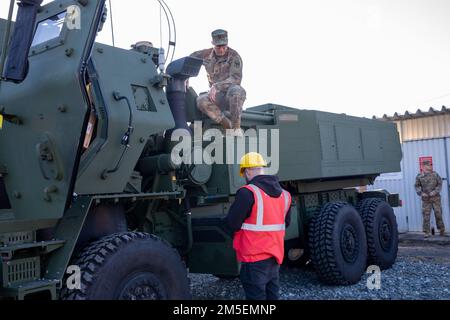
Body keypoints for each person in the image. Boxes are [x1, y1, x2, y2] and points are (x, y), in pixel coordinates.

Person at [226, 152, 292, 300]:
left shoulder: (247, 193)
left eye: (244, 173)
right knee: (272, 295)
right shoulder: (285, 195)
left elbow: (232, 223)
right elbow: (286, 223)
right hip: (275, 256)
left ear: (248, 171)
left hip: (253, 259)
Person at [190, 29, 246, 132]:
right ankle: (227, 126)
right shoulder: (206, 54)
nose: (221, 49)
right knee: (201, 100)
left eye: (224, 46)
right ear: (213, 44)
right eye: (218, 47)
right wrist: (185, 76)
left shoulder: (234, 57)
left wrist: (217, 86)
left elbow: (236, 79)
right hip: (216, 96)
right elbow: (190, 59)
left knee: (236, 91)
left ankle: (236, 128)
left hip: (230, 95)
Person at [415, 160, 446, 237]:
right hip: (426, 199)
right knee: (426, 215)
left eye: (431, 165)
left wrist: (435, 191)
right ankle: (426, 232)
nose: (430, 166)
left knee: (438, 214)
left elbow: (440, 183)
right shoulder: (419, 176)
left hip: (435, 198)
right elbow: (417, 186)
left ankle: (441, 230)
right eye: (429, 165)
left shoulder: (435, 174)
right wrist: (421, 193)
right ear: (424, 166)